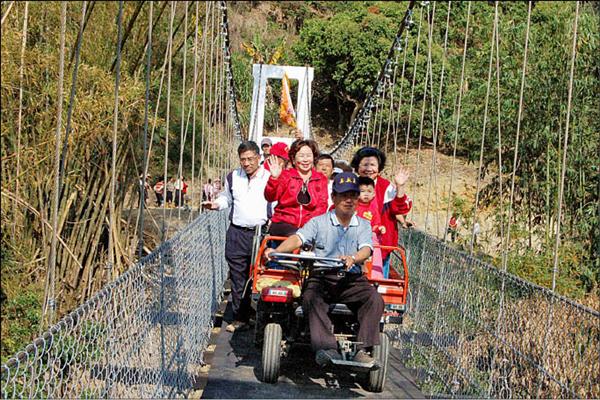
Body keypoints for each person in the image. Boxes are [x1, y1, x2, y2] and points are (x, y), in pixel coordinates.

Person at [264, 172, 384, 367]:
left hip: (351, 279)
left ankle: (362, 350)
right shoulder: (318, 222)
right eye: (344, 195)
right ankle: (327, 348)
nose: (349, 200)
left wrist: (353, 258)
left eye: (353, 195)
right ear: (333, 197)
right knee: (311, 298)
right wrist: (276, 251)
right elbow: (299, 238)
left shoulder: (363, 225)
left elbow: (366, 249)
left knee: (374, 299)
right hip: (322, 276)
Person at [203, 141, 271, 333]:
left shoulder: (269, 177)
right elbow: (227, 198)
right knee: (237, 275)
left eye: (251, 159)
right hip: (237, 232)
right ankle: (241, 318)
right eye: (243, 160)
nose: (247, 163)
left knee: (260, 275)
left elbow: (275, 202)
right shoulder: (233, 177)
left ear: (259, 158)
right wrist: (216, 204)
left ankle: (261, 317)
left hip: (261, 233)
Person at [351, 147, 412, 278]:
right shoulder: (350, 184)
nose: (368, 169)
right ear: (357, 166)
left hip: (380, 245)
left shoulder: (385, 187)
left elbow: (400, 208)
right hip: (350, 244)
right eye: (364, 164)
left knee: (377, 283)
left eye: (372, 165)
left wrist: (400, 186)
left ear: (379, 167)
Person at [264, 139, 328, 237]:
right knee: (297, 237)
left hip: (309, 226)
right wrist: (274, 178)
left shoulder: (320, 179)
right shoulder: (286, 175)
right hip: (283, 223)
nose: (305, 160)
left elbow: (322, 205)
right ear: (293, 159)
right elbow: (270, 197)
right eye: (301, 156)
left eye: (308, 155)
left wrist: (310, 224)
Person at [357, 176, 386, 279]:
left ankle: (375, 274)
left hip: (368, 237)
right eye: (362, 191)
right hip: (353, 236)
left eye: (369, 191)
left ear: (374, 194)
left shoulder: (373, 209)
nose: (366, 194)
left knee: (375, 242)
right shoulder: (353, 206)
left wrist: (380, 228)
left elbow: (375, 224)